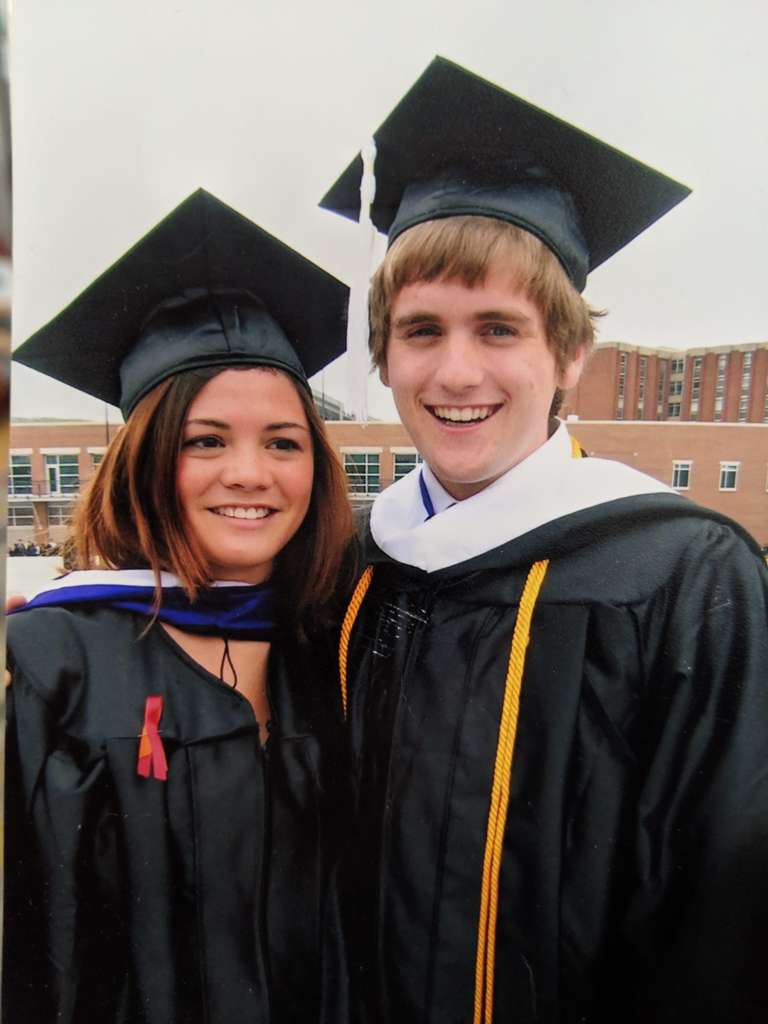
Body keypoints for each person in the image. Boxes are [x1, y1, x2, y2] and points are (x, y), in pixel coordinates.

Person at [319, 58, 768, 1022]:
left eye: (499, 329)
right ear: (383, 355)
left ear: (569, 354)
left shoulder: (682, 578)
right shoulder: (355, 566)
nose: (456, 371)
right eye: (421, 330)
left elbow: (721, 917)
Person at [4, 189, 356, 1024]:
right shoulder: (50, 665)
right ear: (145, 459)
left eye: (283, 441)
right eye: (206, 440)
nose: (250, 473)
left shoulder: (336, 644)